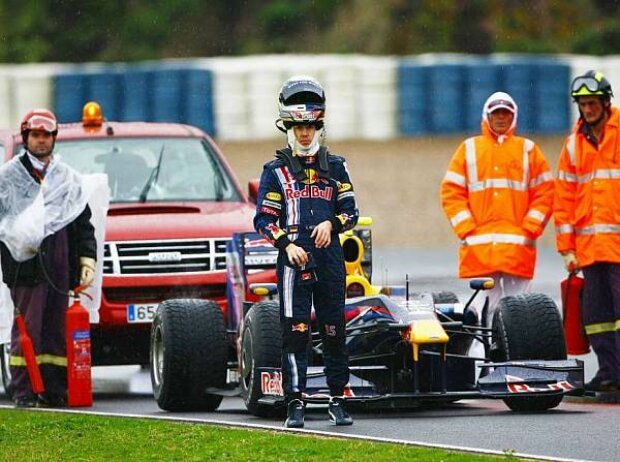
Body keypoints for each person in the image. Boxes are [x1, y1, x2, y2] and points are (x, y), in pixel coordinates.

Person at [254, 76, 359, 428]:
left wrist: (333, 224)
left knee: (333, 329)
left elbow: (351, 211)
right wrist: (287, 244)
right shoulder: (275, 171)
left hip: (330, 259)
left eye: (311, 126)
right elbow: (264, 220)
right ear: (288, 126)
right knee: (295, 333)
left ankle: (337, 399)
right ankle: (294, 403)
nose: (304, 133)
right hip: (293, 261)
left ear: (320, 126)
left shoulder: (337, 166)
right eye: (299, 126)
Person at [0, 109, 97, 407]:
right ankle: (24, 392)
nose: (41, 141)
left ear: (54, 138)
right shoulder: (9, 177)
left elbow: (83, 223)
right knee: (28, 329)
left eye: (46, 136)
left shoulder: (67, 178)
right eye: (35, 136)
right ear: (26, 137)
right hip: (25, 267)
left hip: (59, 263)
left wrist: (86, 260)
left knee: (55, 331)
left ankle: (55, 391)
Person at [440, 92, 554, 328]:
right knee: (484, 312)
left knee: (519, 313)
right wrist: (467, 228)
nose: (501, 118)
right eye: (496, 113)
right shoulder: (469, 149)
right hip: (480, 250)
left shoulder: (528, 150)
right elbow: (451, 192)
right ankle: (486, 363)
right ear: (487, 116)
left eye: (506, 113)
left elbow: (546, 192)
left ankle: (517, 361)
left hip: (517, 249)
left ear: (513, 116)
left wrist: (530, 228)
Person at [554, 70, 620, 394]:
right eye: (583, 103)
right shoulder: (573, 146)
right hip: (591, 250)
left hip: (618, 248)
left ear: (606, 102)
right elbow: (564, 199)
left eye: (593, 102)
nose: (588, 108)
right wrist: (566, 249)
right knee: (596, 318)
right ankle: (609, 374)